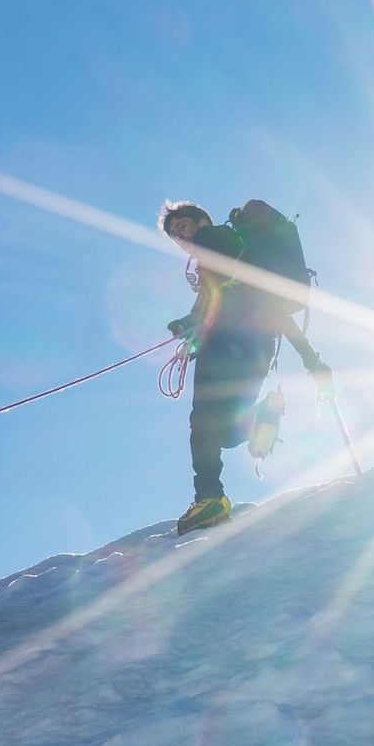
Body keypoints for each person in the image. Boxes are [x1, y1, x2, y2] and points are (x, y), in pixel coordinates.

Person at [160, 200, 332, 535]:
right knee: (222, 431)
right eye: (174, 235)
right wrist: (312, 360)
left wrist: (192, 325)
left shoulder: (212, 240)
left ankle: (210, 498)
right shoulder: (226, 248)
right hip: (257, 349)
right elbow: (267, 305)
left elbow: (219, 302)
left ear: (200, 221)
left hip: (229, 345)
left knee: (203, 419)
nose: (180, 236)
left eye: (181, 227)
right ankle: (263, 415)